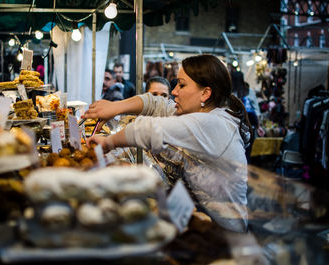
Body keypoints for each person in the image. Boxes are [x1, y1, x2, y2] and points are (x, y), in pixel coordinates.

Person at [84, 55, 252, 232]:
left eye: (181, 85)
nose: (174, 92)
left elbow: (147, 129)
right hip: (197, 221)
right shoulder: (196, 112)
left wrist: (109, 143)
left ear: (205, 93)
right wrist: (115, 107)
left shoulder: (215, 125)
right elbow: (156, 103)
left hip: (223, 234)